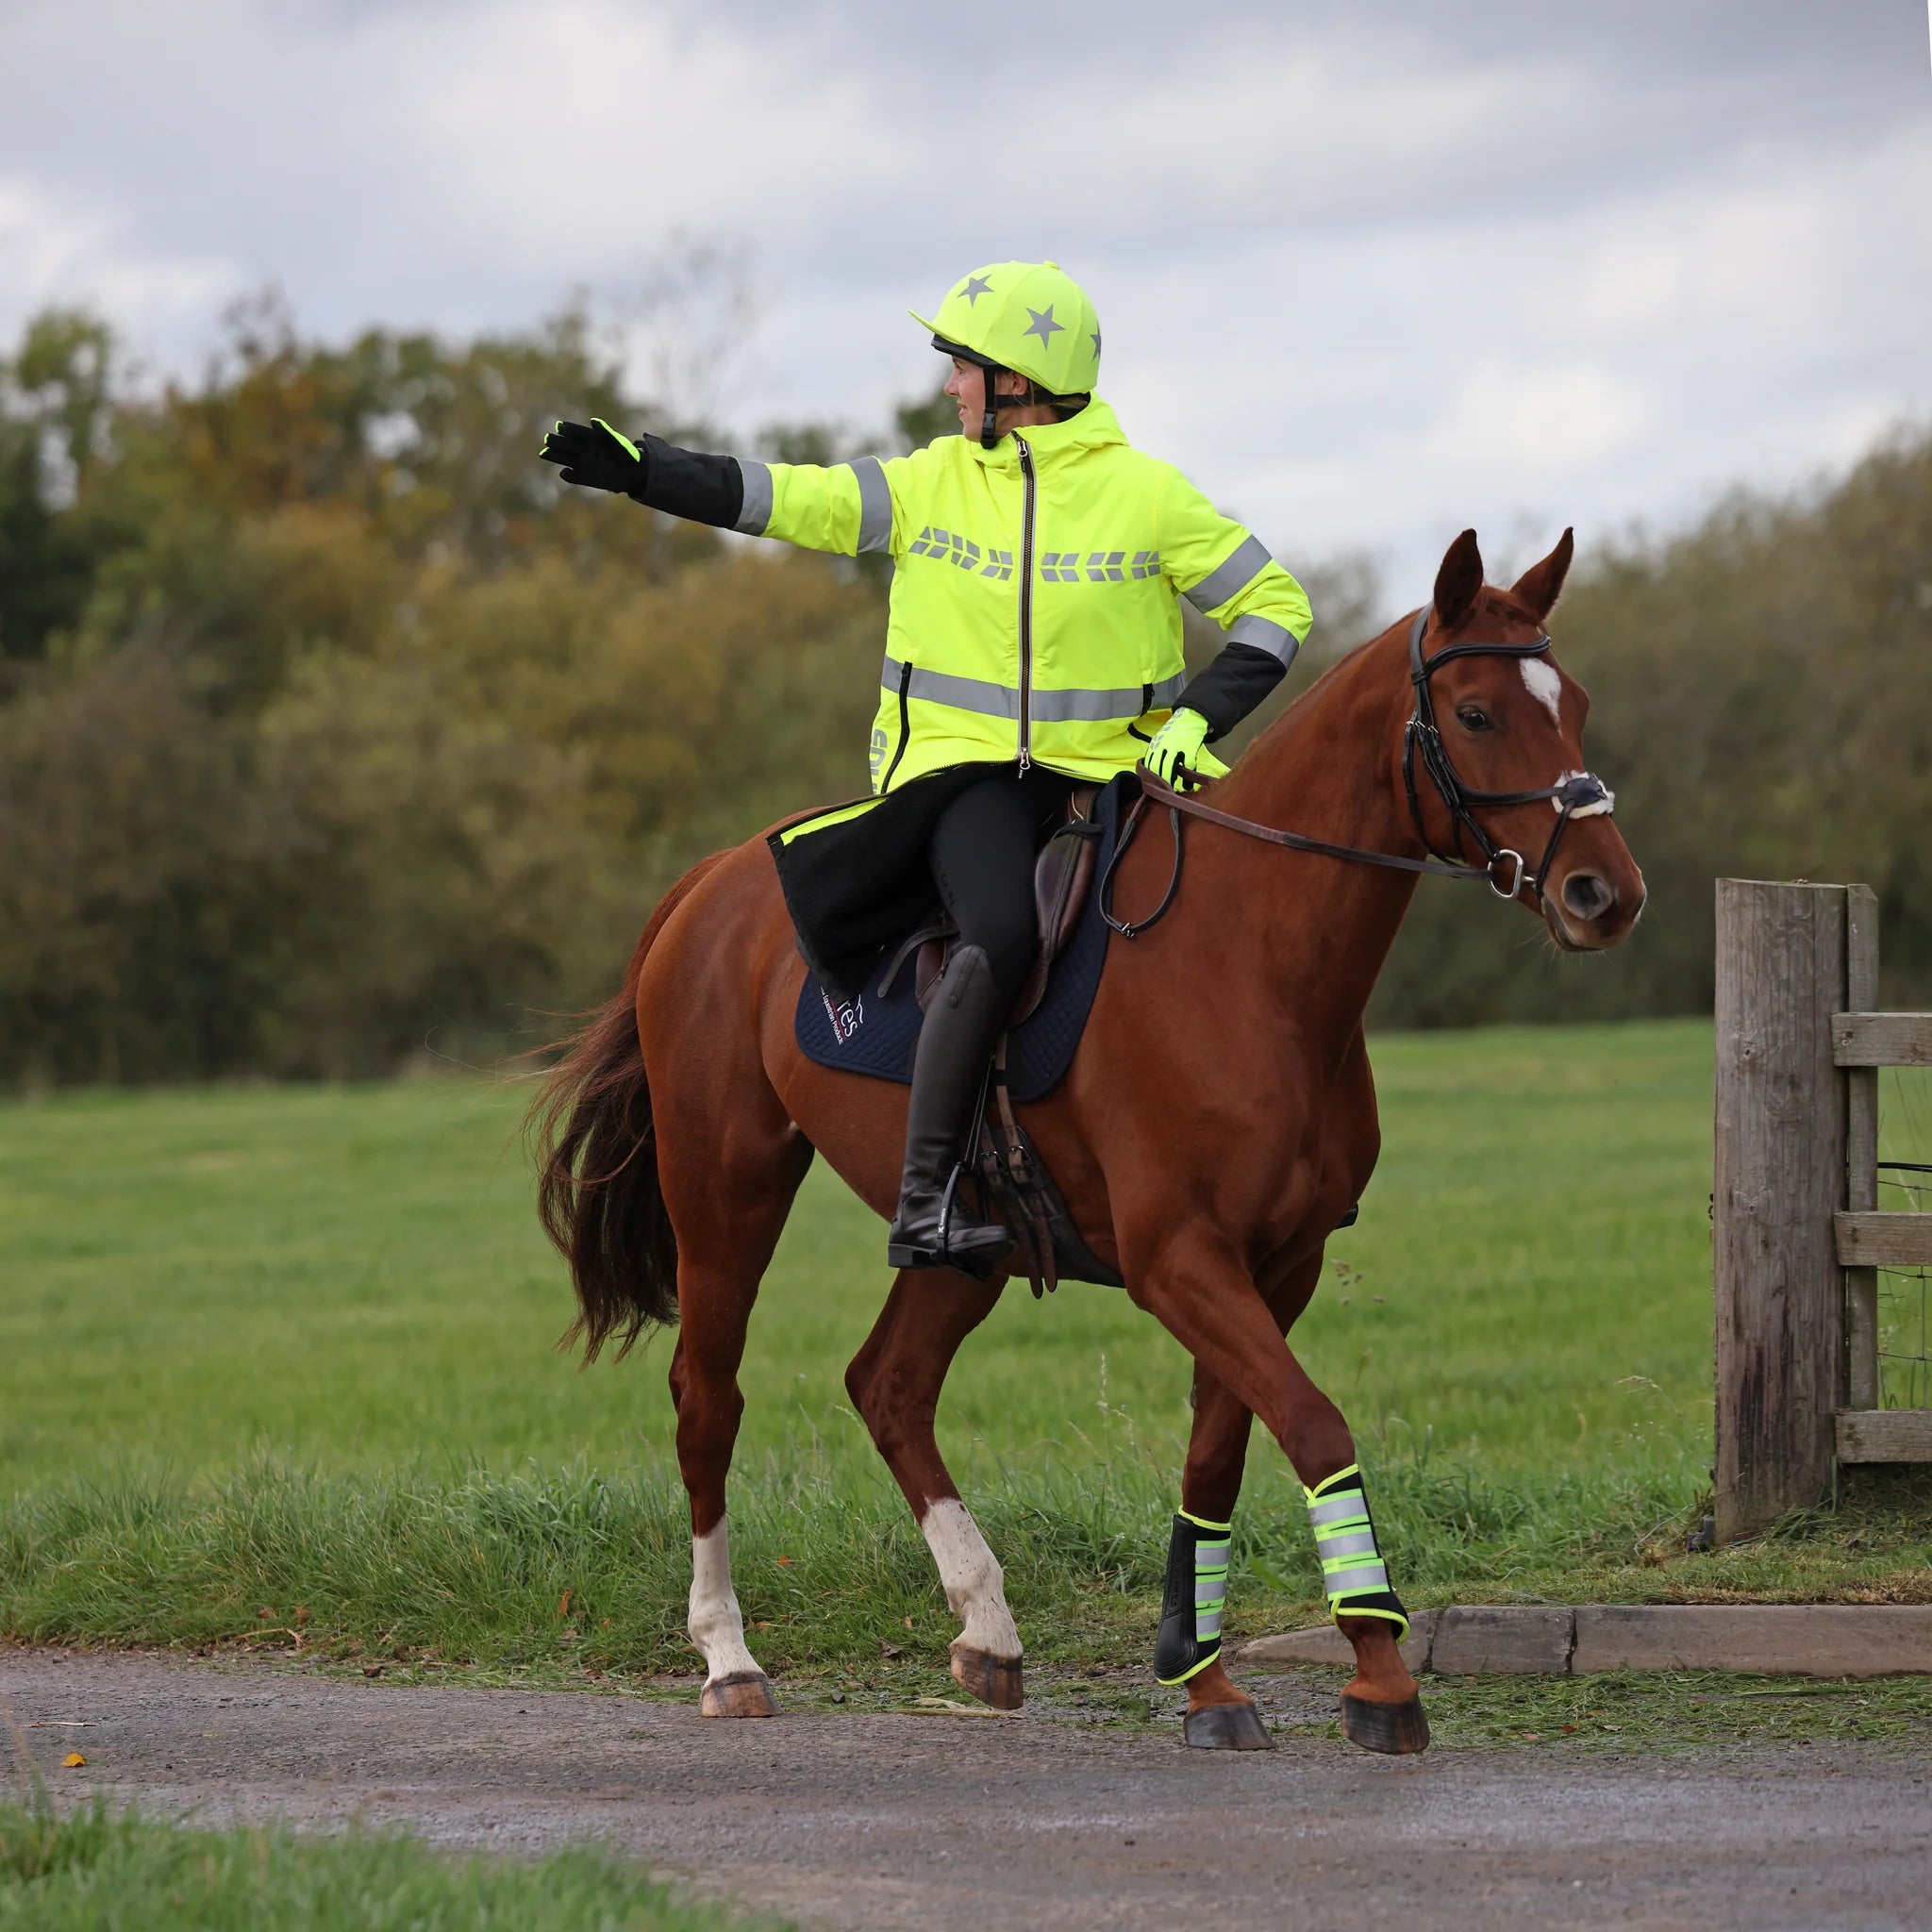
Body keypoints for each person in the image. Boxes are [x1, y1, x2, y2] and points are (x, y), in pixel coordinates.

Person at [541, 261, 1313, 1275]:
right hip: (963, 783)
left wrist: (1197, 720)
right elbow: (781, 498)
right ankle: (930, 1195)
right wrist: (645, 469)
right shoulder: (924, 482)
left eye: (961, 367)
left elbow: (1273, 602)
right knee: (997, 929)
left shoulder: (1149, 495)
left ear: (1017, 380)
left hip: (1117, 785)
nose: (948, 386)